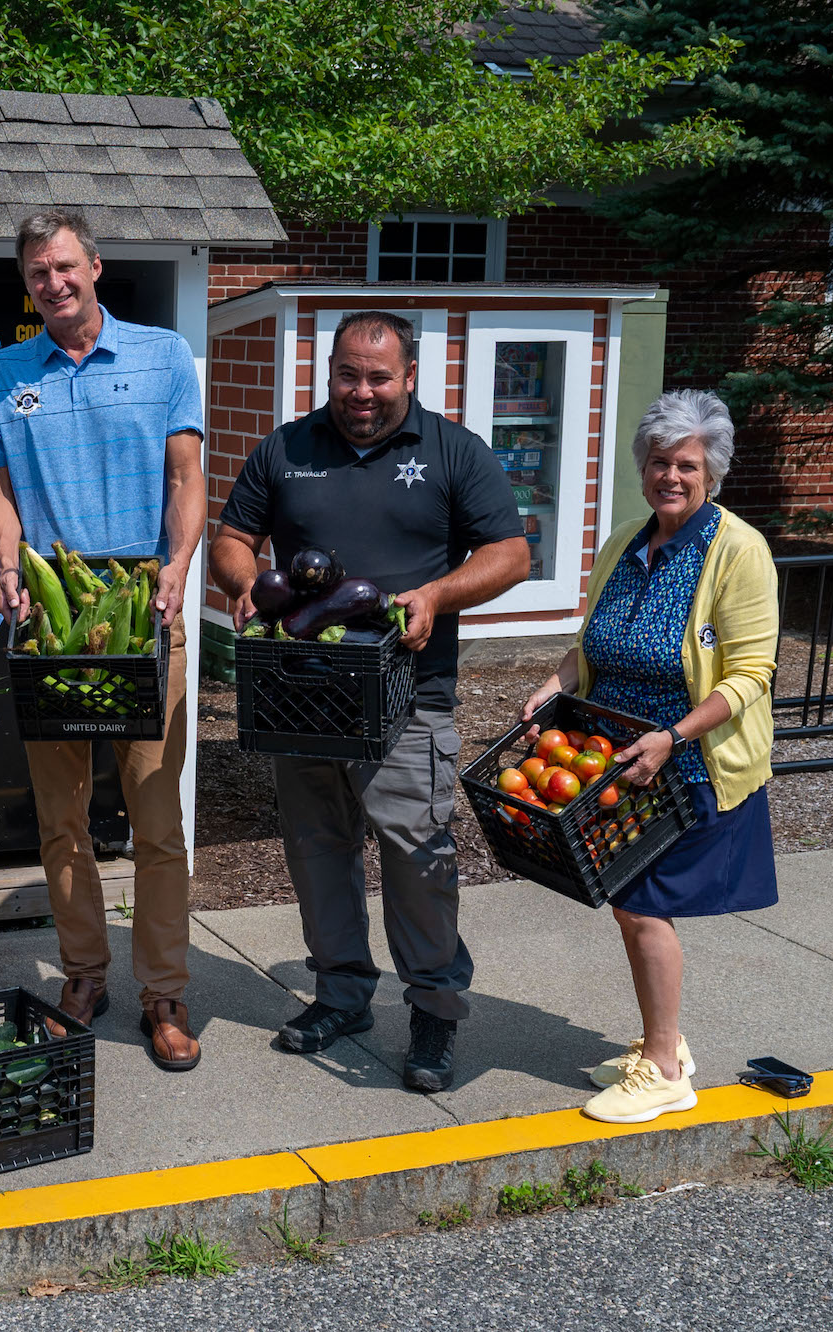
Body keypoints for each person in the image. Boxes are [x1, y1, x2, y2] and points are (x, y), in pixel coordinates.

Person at [210, 311, 529, 1093]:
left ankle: (433, 1010)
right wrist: (243, 580)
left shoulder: (453, 450)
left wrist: (437, 594)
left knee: (417, 855)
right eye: (348, 375)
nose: (361, 391)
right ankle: (343, 994)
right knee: (318, 851)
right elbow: (233, 535)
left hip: (407, 693)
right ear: (331, 373)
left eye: (379, 377)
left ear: (411, 376)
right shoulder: (286, 447)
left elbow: (512, 553)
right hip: (303, 694)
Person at [0, 209, 207, 1071]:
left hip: (144, 609)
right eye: (39, 272)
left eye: (66, 267)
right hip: (49, 621)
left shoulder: (162, 356)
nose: (55, 283)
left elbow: (186, 478)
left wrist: (177, 566)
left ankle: (165, 991)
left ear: (97, 266)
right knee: (60, 819)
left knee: (155, 818)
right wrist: (8, 562)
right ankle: (84, 973)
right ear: (28, 283)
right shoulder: (6, 372)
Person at [518, 389, 780, 1124]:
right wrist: (553, 683)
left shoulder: (738, 550)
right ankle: (663, 1043)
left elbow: (751, 674)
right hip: (612, 759)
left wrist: (674, 736)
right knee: (629, 907)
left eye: (687, 465)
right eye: (660, 461)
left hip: (688, 763)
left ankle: (665, 1069)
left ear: (713, 472)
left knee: (640, 905)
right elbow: (594, 644)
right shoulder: (629, 541)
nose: (672, 475)